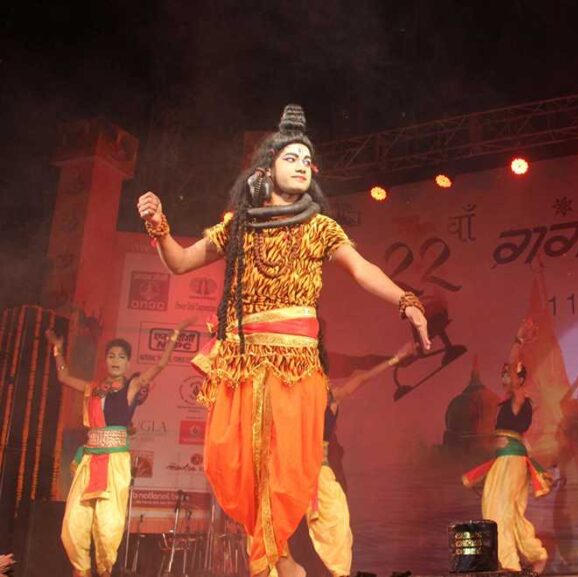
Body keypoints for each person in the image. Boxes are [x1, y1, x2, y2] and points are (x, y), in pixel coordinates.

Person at [136, 104, 430, 577]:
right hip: (244, 363)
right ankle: (278, 560)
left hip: (296, 366)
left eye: (305, 161)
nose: (300, 165)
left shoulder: (319, 227)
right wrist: (159, 225)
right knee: (233, 465)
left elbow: (362, 270)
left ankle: (278, 562)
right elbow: (181, 262)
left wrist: (406, 301)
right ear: (265, 169)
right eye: (290, 157)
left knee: (289, 471)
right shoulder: (238, 227)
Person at [45, 319, 188, 577]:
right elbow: (63, 376)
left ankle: (105, 571)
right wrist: (57, 349)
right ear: (106, 360)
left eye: (121, 357)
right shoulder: (93, 389)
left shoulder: (131, 386)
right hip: (89, 461)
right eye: (111, 356)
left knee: (108, 526)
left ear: (128, 363)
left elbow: (160, 365)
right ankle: (81, 571)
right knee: (73, 524)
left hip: (114, 463)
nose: (115, 360)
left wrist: (175, 335)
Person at [303, 338, 418, 577]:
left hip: (319, 475)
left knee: (337, 523)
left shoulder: (332, 397)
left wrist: (395, 359)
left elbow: (362, 378)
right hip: (295, 474)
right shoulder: (296, 399)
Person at [462, 319, 550, 573]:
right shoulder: (509, 404)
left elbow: (512, 364)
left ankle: (510, 565)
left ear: (518, 378)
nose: (504, 376)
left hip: (511, 462)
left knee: (498, 509)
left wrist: (518, 341)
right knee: (507, 511)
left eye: (509, 374)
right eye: (503, 374)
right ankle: (535, 555)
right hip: (507, 461)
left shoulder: (519, 399)